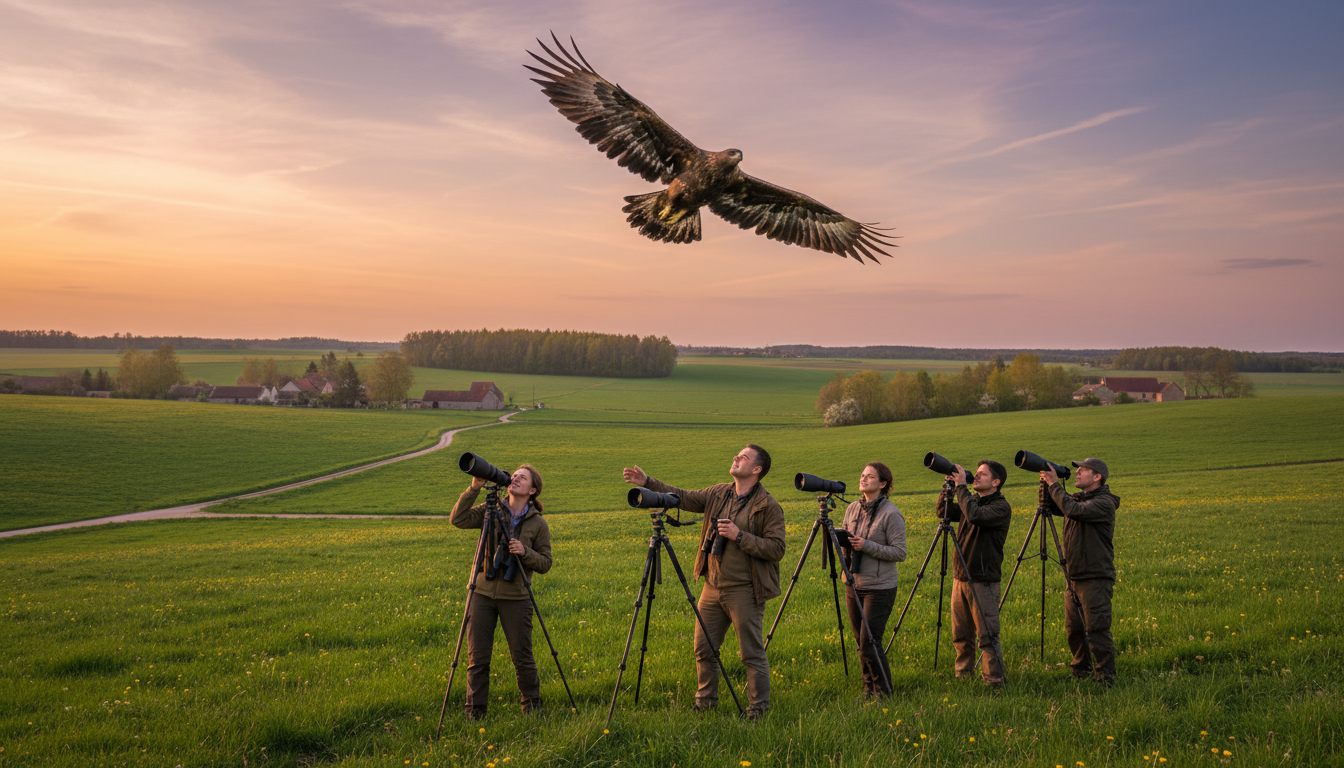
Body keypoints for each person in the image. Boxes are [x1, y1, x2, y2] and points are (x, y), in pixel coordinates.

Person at [622, 444, 785, 720]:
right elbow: (682, 497)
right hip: (712, 586)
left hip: (744, 590)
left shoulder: (768, 506)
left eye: (743, 457)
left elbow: (777, 548)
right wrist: (648, 483)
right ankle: (705, 703)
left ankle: (758, 708)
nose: (736, 457)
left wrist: (739, 535)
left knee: (751, 653)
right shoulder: (719, 492)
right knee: (704, 649)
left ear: (757, 469)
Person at [451, 464, 552, 719]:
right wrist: (474, 487)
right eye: (514, 475)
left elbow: (545, 563)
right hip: (481, 593)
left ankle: (532, 709)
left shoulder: (538, 524)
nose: (515, 478)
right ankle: (475, 713)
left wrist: (524, 551)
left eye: (522, 477)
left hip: (516, 598)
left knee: (522, 657)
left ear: (532, 490)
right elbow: (458, 519)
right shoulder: (490, 510)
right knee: (478, 659)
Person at [1041, 457, 1120, 685]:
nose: (1077, 473)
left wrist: (1055, 483)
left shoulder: (1104, 503)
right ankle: (1080, 671)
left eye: (1083, 470)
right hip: (1073, 576)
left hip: (1094, 575)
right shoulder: (1079, 500)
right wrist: (1048, 485)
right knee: (1074, 630)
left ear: (1097, 477)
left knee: (1096, 629)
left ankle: (1105, 677)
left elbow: (1071, 509)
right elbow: (1059, 505)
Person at [938, 460, 1011, 687]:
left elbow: (975, 515)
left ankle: (994, 680)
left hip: (983, 579)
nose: (976, 477)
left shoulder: (1000, 507)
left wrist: (962, 487)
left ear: (996, 482)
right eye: (975, 474)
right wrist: (948, 488)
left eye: (982, 474)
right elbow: (943, 512)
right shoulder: (972, 501)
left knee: (987, 635)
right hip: (960, 576)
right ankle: (963, 676)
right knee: (961, 634)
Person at [839, 461, 907, 697]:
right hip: (853, 582)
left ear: (883, 483)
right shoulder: (852, 509)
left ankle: (884, 691)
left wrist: (867, 546)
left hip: (880, 587)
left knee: (870, 641)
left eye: (870, 476)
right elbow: (846, 537)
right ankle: (868, 687)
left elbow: (900, 552)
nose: (863, 479)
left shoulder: (891, 514)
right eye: (862, 475)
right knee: (861, 641)